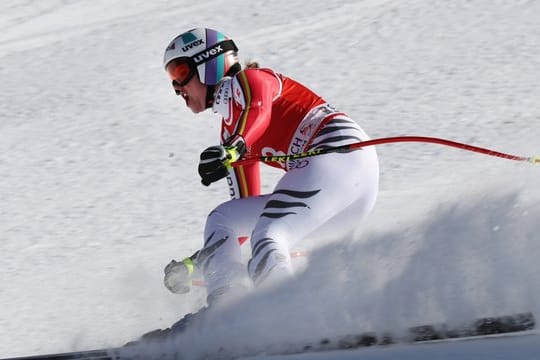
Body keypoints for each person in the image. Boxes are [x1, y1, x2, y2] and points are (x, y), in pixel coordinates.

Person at [159, 28, 380, 335]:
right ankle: (227, 312)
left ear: (210, 63)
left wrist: (236, 147)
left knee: (268, 235)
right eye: (172, 77)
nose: (176, 87)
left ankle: (291, 321)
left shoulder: (249, 82)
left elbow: (258, 112)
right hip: (337, 187)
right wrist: (199, 263)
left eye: (180, 72)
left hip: (340, 155)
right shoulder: (229, 133)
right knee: (222, 219)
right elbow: (239, 224)